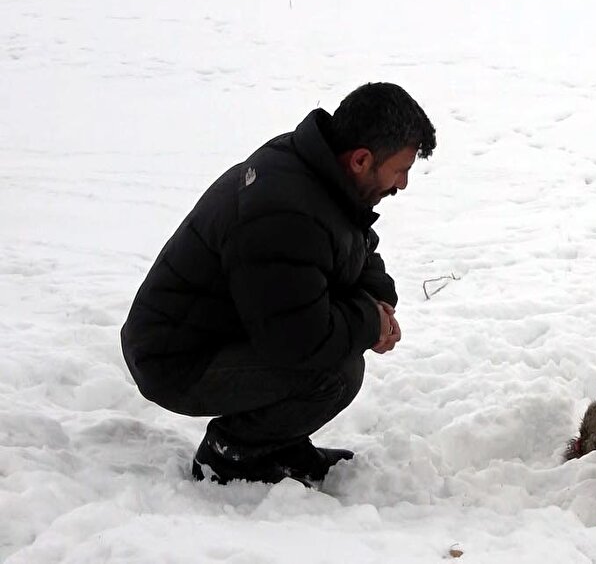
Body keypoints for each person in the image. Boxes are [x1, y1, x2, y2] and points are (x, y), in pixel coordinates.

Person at [121, 82, 436, 485]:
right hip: (176, 357)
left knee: (337, 354)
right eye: (401, 170)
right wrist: (369, 323)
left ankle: (275, 443)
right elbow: (299, 340)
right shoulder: (286, 210)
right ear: (361, 159)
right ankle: (232, 452)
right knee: (336, 371)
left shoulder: (320, 173)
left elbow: (354, 251)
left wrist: (377, 301)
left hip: (219, 332)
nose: (402, 184)